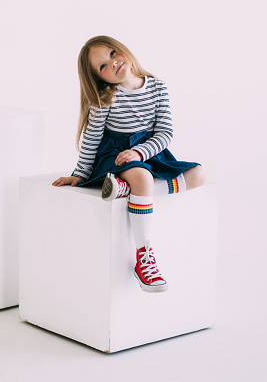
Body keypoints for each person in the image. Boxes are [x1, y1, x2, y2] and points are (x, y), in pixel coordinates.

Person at [52, 35, 206, 293]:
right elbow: (92, 137)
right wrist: (80, 174)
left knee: (198, 175)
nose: (112, 64)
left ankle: (126, 191)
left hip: (149, 152)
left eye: (112, 54)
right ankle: (143, 255)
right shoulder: (106, 97)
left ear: (122, 50)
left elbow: (165, 133)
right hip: (116, 154)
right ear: (100, 78)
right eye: (102, 66)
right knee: (143, 179)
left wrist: (141, 152)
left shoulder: (158, 87)